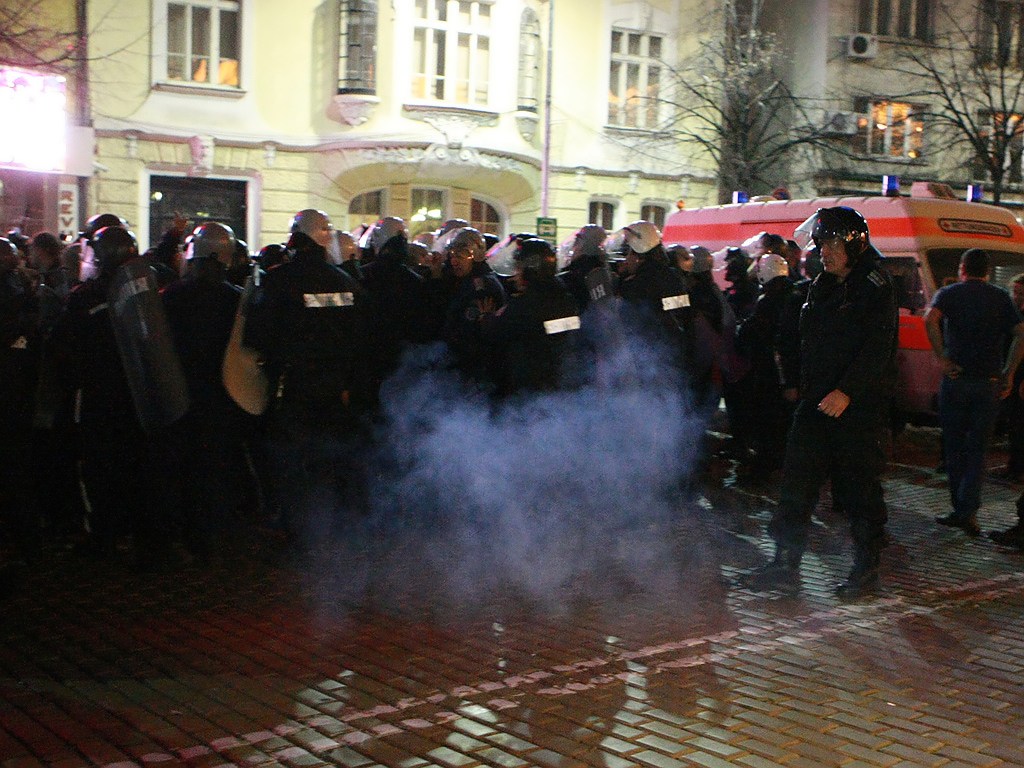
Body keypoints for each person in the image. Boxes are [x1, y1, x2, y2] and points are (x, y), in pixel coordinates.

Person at [740, 206, 898, 598]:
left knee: (859, 489)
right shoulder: (822, 284)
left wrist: (848, 391)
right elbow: (804, 339)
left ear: (853, 244)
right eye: (820, 244)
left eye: (829, 244)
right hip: (816, 403)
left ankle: (866, 568)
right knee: (796, 482)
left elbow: (879, 347)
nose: (821, 252)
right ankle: (784, 562)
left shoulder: (875, 286)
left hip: (854, 408)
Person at [244, 208, 373, 553]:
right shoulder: (346, 282)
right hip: (335, 388)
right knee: (328, 458)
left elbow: (257, 335)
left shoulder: (277, 279)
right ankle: (332, 530)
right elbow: (361, 338)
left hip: (294, 385)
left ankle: (298, 533)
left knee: (291, 461)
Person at [161, 222, 248, 561]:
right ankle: (211, 537)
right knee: (215, 468)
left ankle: (180, 535)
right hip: (222, 398)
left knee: (179, 469)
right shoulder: (237, 301)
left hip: (179, 395)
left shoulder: (172, 296)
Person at [925, 248, 1024, 537]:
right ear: (988, 271)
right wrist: (1009, 371)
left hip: (957, 380)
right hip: (989, 382)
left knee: (954, 446)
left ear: (962, 268)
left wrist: (942, 357)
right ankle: (969, 509)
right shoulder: (1000, 297)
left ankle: (961, 509)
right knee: (979, 449)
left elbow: (929, 319)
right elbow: (1021, 333)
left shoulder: (949, 293)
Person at [482, 237, 580, 396]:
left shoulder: (527, 304)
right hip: (558, 382)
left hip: (528, 386)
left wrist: (487, 318)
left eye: (519, 268)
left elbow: (497, 332)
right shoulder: (564, 297)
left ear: (532, 269)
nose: (515, 275)